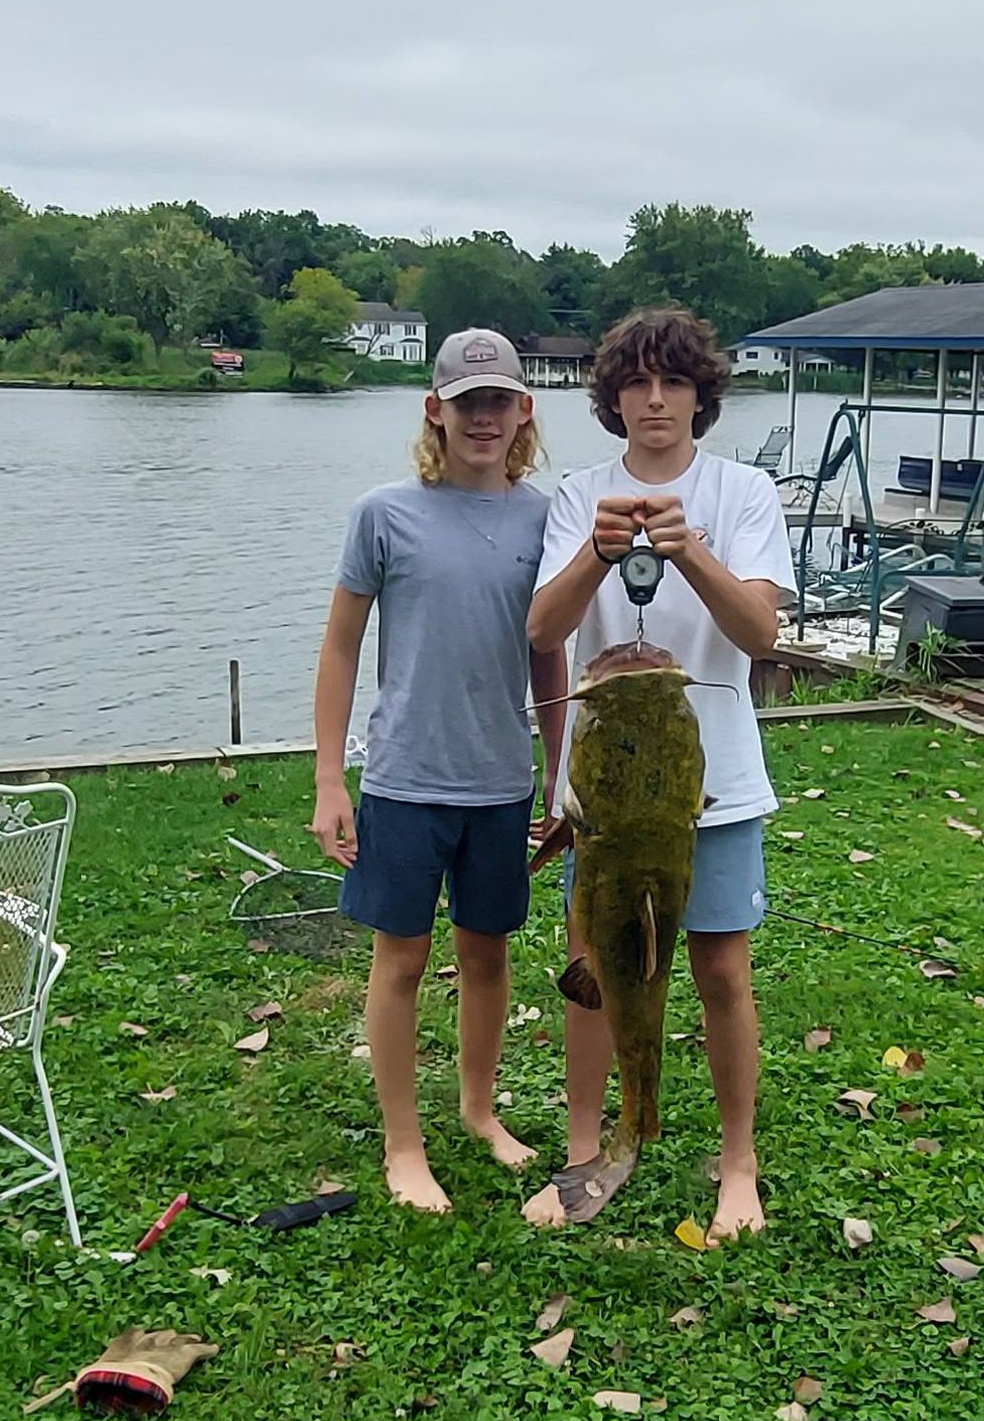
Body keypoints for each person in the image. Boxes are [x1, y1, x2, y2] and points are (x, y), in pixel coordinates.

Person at [524, 306, 795, 1243]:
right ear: (611, 398)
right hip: (602, 803)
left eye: (673, 381)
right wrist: (600, 552)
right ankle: (585, 1149)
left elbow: (761, 634)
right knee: (598, 967)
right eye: (635, 383)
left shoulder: (744, 492)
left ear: (700, 395)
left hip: (709, 791)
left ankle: (737, 1164)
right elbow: (543, 631)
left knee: (722, 969)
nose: (654, 399)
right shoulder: (578, 495)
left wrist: (693, 549)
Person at [311, 329, 567, 1214]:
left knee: (488, 953)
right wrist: (329, 781)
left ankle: (477, 1110)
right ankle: (403, 1143)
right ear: (436, 411)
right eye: (467, 403)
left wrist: (559, 771)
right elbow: (341, 648)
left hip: (501, 783)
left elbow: (550, 656)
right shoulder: (384, 514)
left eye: (499, 400)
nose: (483, 417)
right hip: (404, 779)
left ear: (523, 410)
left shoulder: (546, 518)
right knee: (402, 958)